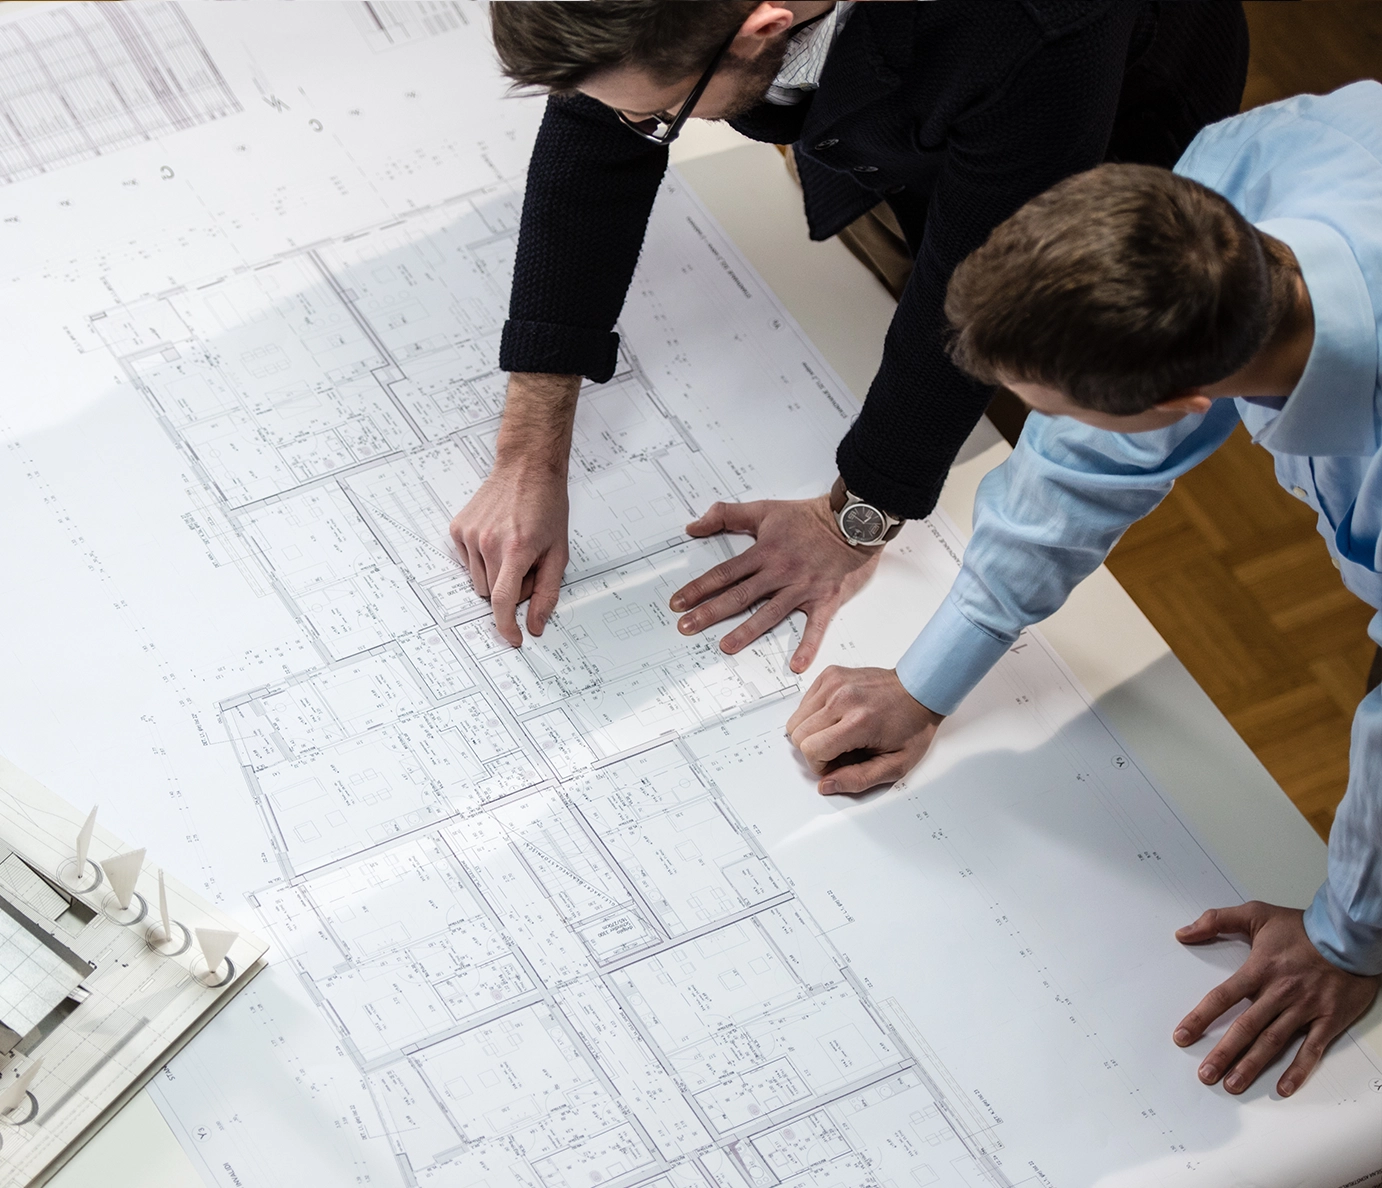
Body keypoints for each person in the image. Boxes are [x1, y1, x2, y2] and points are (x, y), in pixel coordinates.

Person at [787, 81, 1382, 1096]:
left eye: (1053, 408)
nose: (1049, 429)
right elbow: (1076, 463)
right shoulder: (1229, 182)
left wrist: (1348, 935)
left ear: (1181, 405)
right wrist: (928, 677)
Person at [456, 0, 1249, 666]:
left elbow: (966, 289)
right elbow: (603, 117)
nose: (641, 123)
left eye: (660, 116)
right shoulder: (679, 24)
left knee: (1023, 361)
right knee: (868, 267)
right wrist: (528, 448)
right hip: (889, 99)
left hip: (1104, 139)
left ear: (761, 28)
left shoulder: (1036, 30)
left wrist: (856, 515)